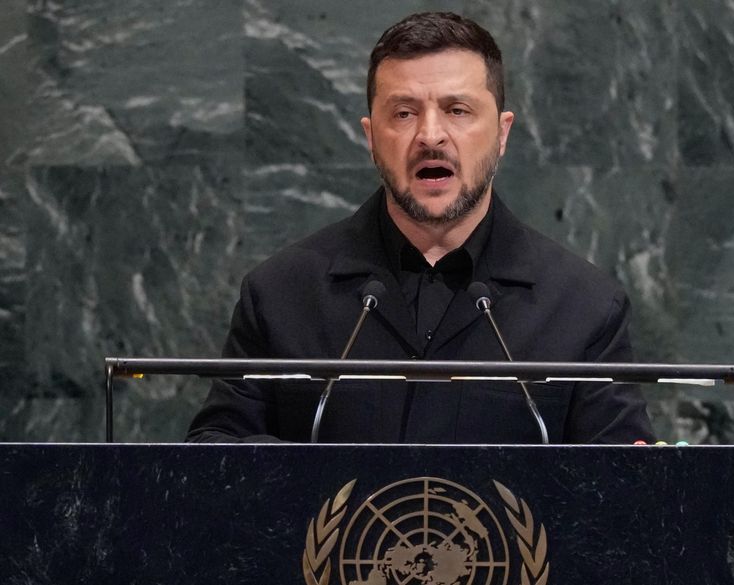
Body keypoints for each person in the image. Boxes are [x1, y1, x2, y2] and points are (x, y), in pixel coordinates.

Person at [187, 11, 654, 444]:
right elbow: (214, 458)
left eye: (457, 110)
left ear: (503, 133)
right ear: (371, 137)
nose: (430, 136)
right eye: (404, 113)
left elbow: (622, 490)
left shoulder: (585, 307)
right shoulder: (280, 295)